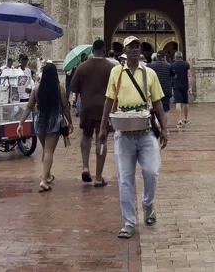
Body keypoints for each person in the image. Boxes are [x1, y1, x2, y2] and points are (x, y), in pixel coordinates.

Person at [98, 36, 167, 239]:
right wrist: (103, 128)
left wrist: (165, 129)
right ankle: (128, 221)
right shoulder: (116, 72)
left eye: (138, 47)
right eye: (131, 47)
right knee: (125, 179)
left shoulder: (150, 73)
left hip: (146, 132)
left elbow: (158, 103)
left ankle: (147, 203)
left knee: (152, 171)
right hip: (123, 134)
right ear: (125, 51)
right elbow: (109, 100)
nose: (135, 50)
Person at [17, 61, 73, 192]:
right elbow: (65, 106)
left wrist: (21, 123)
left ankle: (47, 176)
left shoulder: (37, 88)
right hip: (53, 121)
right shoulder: (59, 88)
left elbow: (29, 106)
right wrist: (70, 121)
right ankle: (43, 180)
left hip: (39, 121)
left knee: (45, 150)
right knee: (49, 151)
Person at [70, 38, 114, 187]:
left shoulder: (82, 67)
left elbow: (74, 88)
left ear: (92, 51)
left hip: (86, 106)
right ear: (104, 50)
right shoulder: (111, 67)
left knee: (86, 135)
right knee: (101, 138)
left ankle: (85, 167)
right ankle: (99, 177)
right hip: (104, 108)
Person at [171, 50, 190, 128]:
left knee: (178, 103)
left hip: (176, 85)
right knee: (185, 102)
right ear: (182, 57)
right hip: (185, 85)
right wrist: (190, 87)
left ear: (175, 57)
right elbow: (189, 76)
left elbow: (172, 76)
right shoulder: (186, 64)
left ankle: (179, 120)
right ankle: (186, 119)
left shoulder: (172, 65)